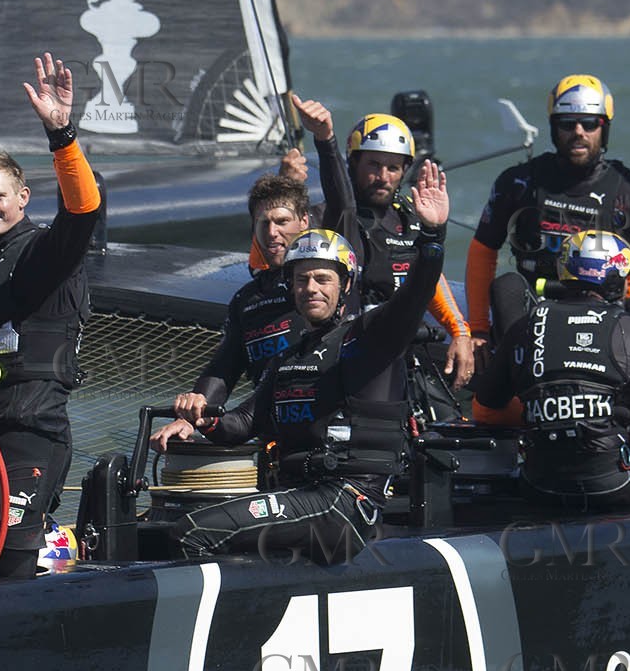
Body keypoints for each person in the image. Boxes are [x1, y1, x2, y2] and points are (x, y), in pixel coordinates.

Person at [150, 162, 448, 565]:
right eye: (302, 280)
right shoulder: (289, 357)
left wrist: (432, 236)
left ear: (345, 285)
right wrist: (203, 419)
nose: (311, 289)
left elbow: (416, 292)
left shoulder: (372, 335)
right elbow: (244, 422)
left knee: (195, 532)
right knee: (181, 526)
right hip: (301, 495)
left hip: (345, 501)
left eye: (322, 279)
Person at [0, 52, 104, 578]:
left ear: (23, 197)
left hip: (30, 432)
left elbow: (83, 212)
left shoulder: (42, 255)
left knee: (8, 562)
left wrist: (61, 133)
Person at [473, 231, 630, 510]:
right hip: (612, 480)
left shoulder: (525, 326)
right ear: (617, 279)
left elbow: (485, 411)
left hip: (540, 481)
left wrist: (547, 414)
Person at [465, 74, 630, 350]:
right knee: (507, 285)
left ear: (604, 129)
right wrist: (479, 330)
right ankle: (514, 378)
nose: (579, 131)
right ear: (554, 128)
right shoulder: (518, 182)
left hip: (600, 318)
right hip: (532, 315)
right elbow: (482, 252)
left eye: (590, 123)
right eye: (568, 124)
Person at [319, 108, 475, 398]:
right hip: (352, 353)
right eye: (373, 165)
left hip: (405, 350)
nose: (382, 177)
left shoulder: (411, 216)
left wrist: (460, 332)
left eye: (393, 168)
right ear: (352, 164)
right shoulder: (337, 216)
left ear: (405, 171)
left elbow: (430, 279)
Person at [171, 173, 309, 423]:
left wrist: (325, 143)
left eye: (282, 221)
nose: (272, 232)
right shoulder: (246, 300)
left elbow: (345, 209)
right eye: (263, 222)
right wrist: (190, 416)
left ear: (304, 222)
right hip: (270, 428)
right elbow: (224, 369)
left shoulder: (326, 283)